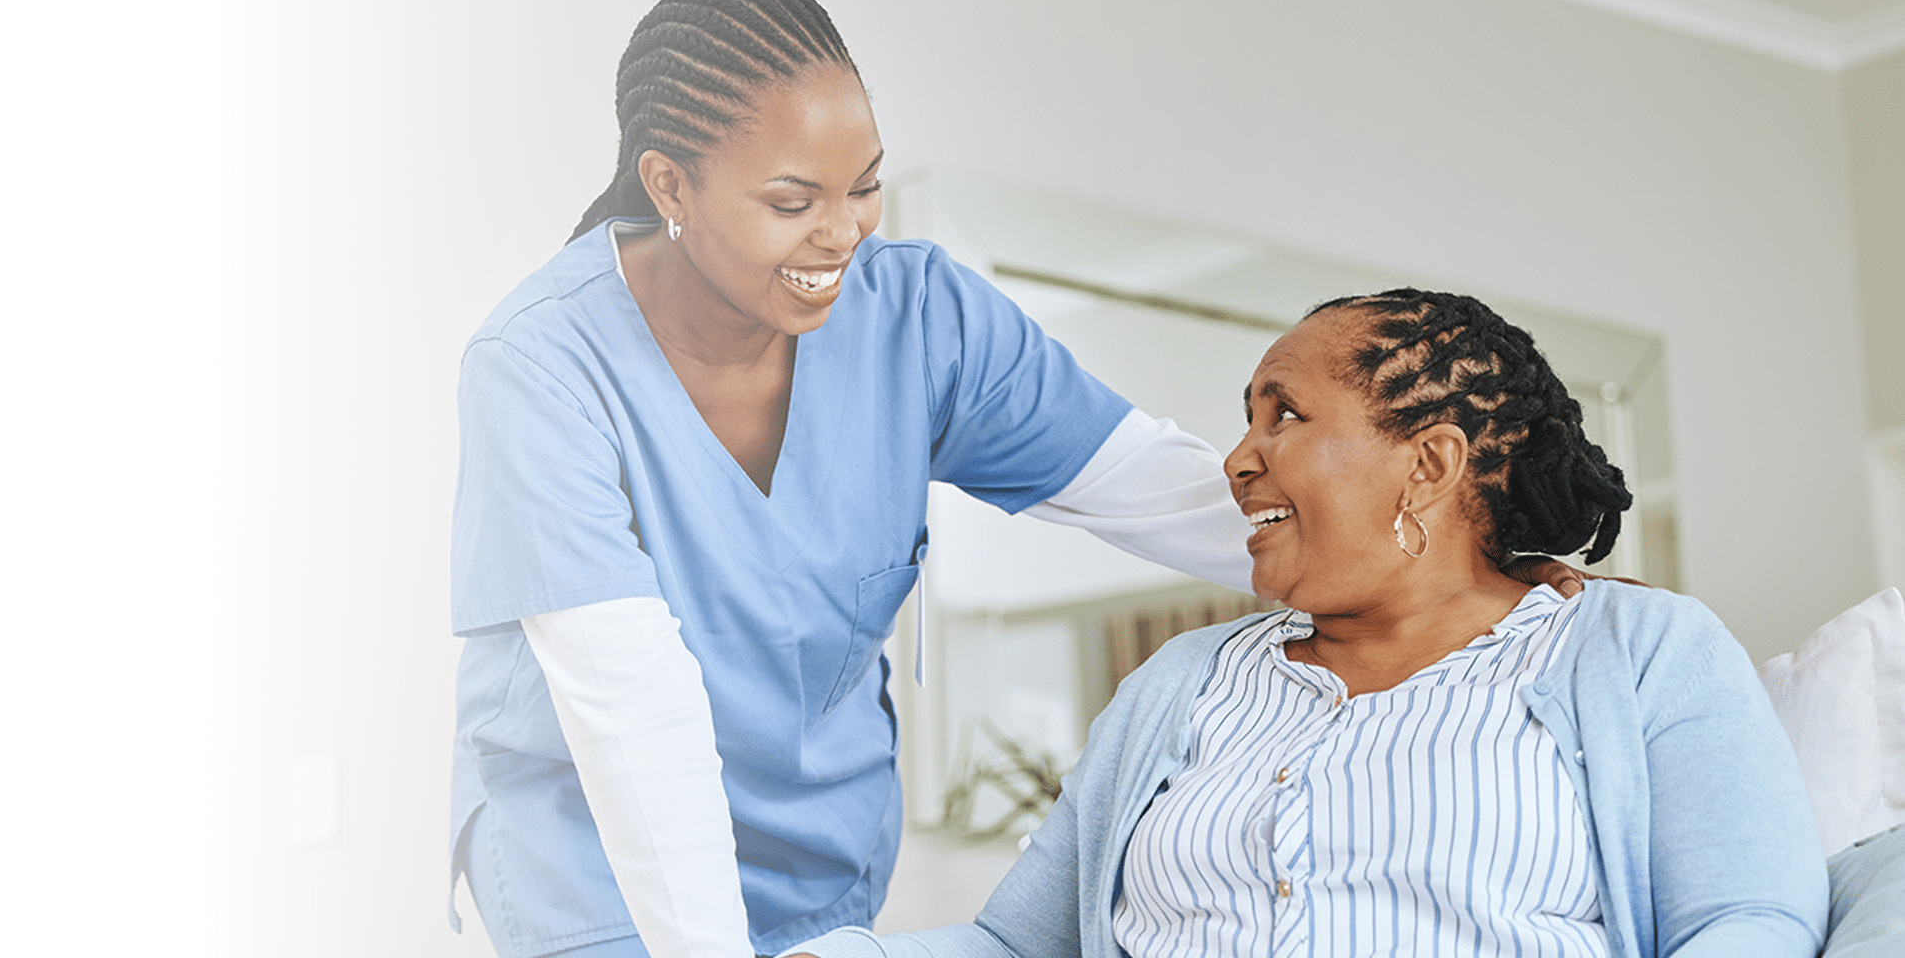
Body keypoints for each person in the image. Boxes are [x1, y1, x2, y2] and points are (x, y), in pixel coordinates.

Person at [450, 0, 1585, 958]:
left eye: (864, 187)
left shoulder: (914, 315)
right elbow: (627, 704)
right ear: (669, 186)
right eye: (793, 201)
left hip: (824, 874)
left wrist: (1471, 566)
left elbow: (1163, 487)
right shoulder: (541, 364)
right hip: (596, 862)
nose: (843, 235)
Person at [783, 289, 1830, 958]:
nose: (1239, 457)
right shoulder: (1180, 682)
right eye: (1247, 418)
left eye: (1285, 413)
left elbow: (1750, 922)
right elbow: (1019, 947)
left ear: (1428, 464)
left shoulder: (1640, 655)